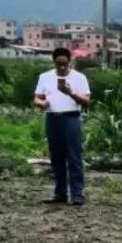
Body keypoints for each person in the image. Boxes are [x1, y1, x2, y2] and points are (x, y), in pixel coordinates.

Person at [34, 47, 91, 206]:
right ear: (54, 63)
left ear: (70, 62)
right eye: (58, 64)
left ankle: (77, 194)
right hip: (52, 118)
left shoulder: (79, 78)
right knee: (56, 158)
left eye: (65, 64)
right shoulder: (44, 77)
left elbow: (86, 102)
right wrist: (42, 103)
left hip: (71, 118)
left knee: (74, 157)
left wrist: (70, 93)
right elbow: (37, 98)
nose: (62, 67)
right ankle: (60, 193)